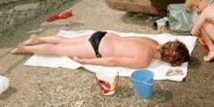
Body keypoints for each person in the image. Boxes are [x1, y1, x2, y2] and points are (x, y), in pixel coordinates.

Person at [11, 31, 190, 68]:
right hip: (98, 48)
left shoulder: (152, 42)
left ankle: (38, 38)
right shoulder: (144, 60)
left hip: (103, 36)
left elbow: (128, 38)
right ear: (168, 60)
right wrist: (88, 61)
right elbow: (113, 61)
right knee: (59, 50)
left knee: (66, 40)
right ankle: (24, 49)